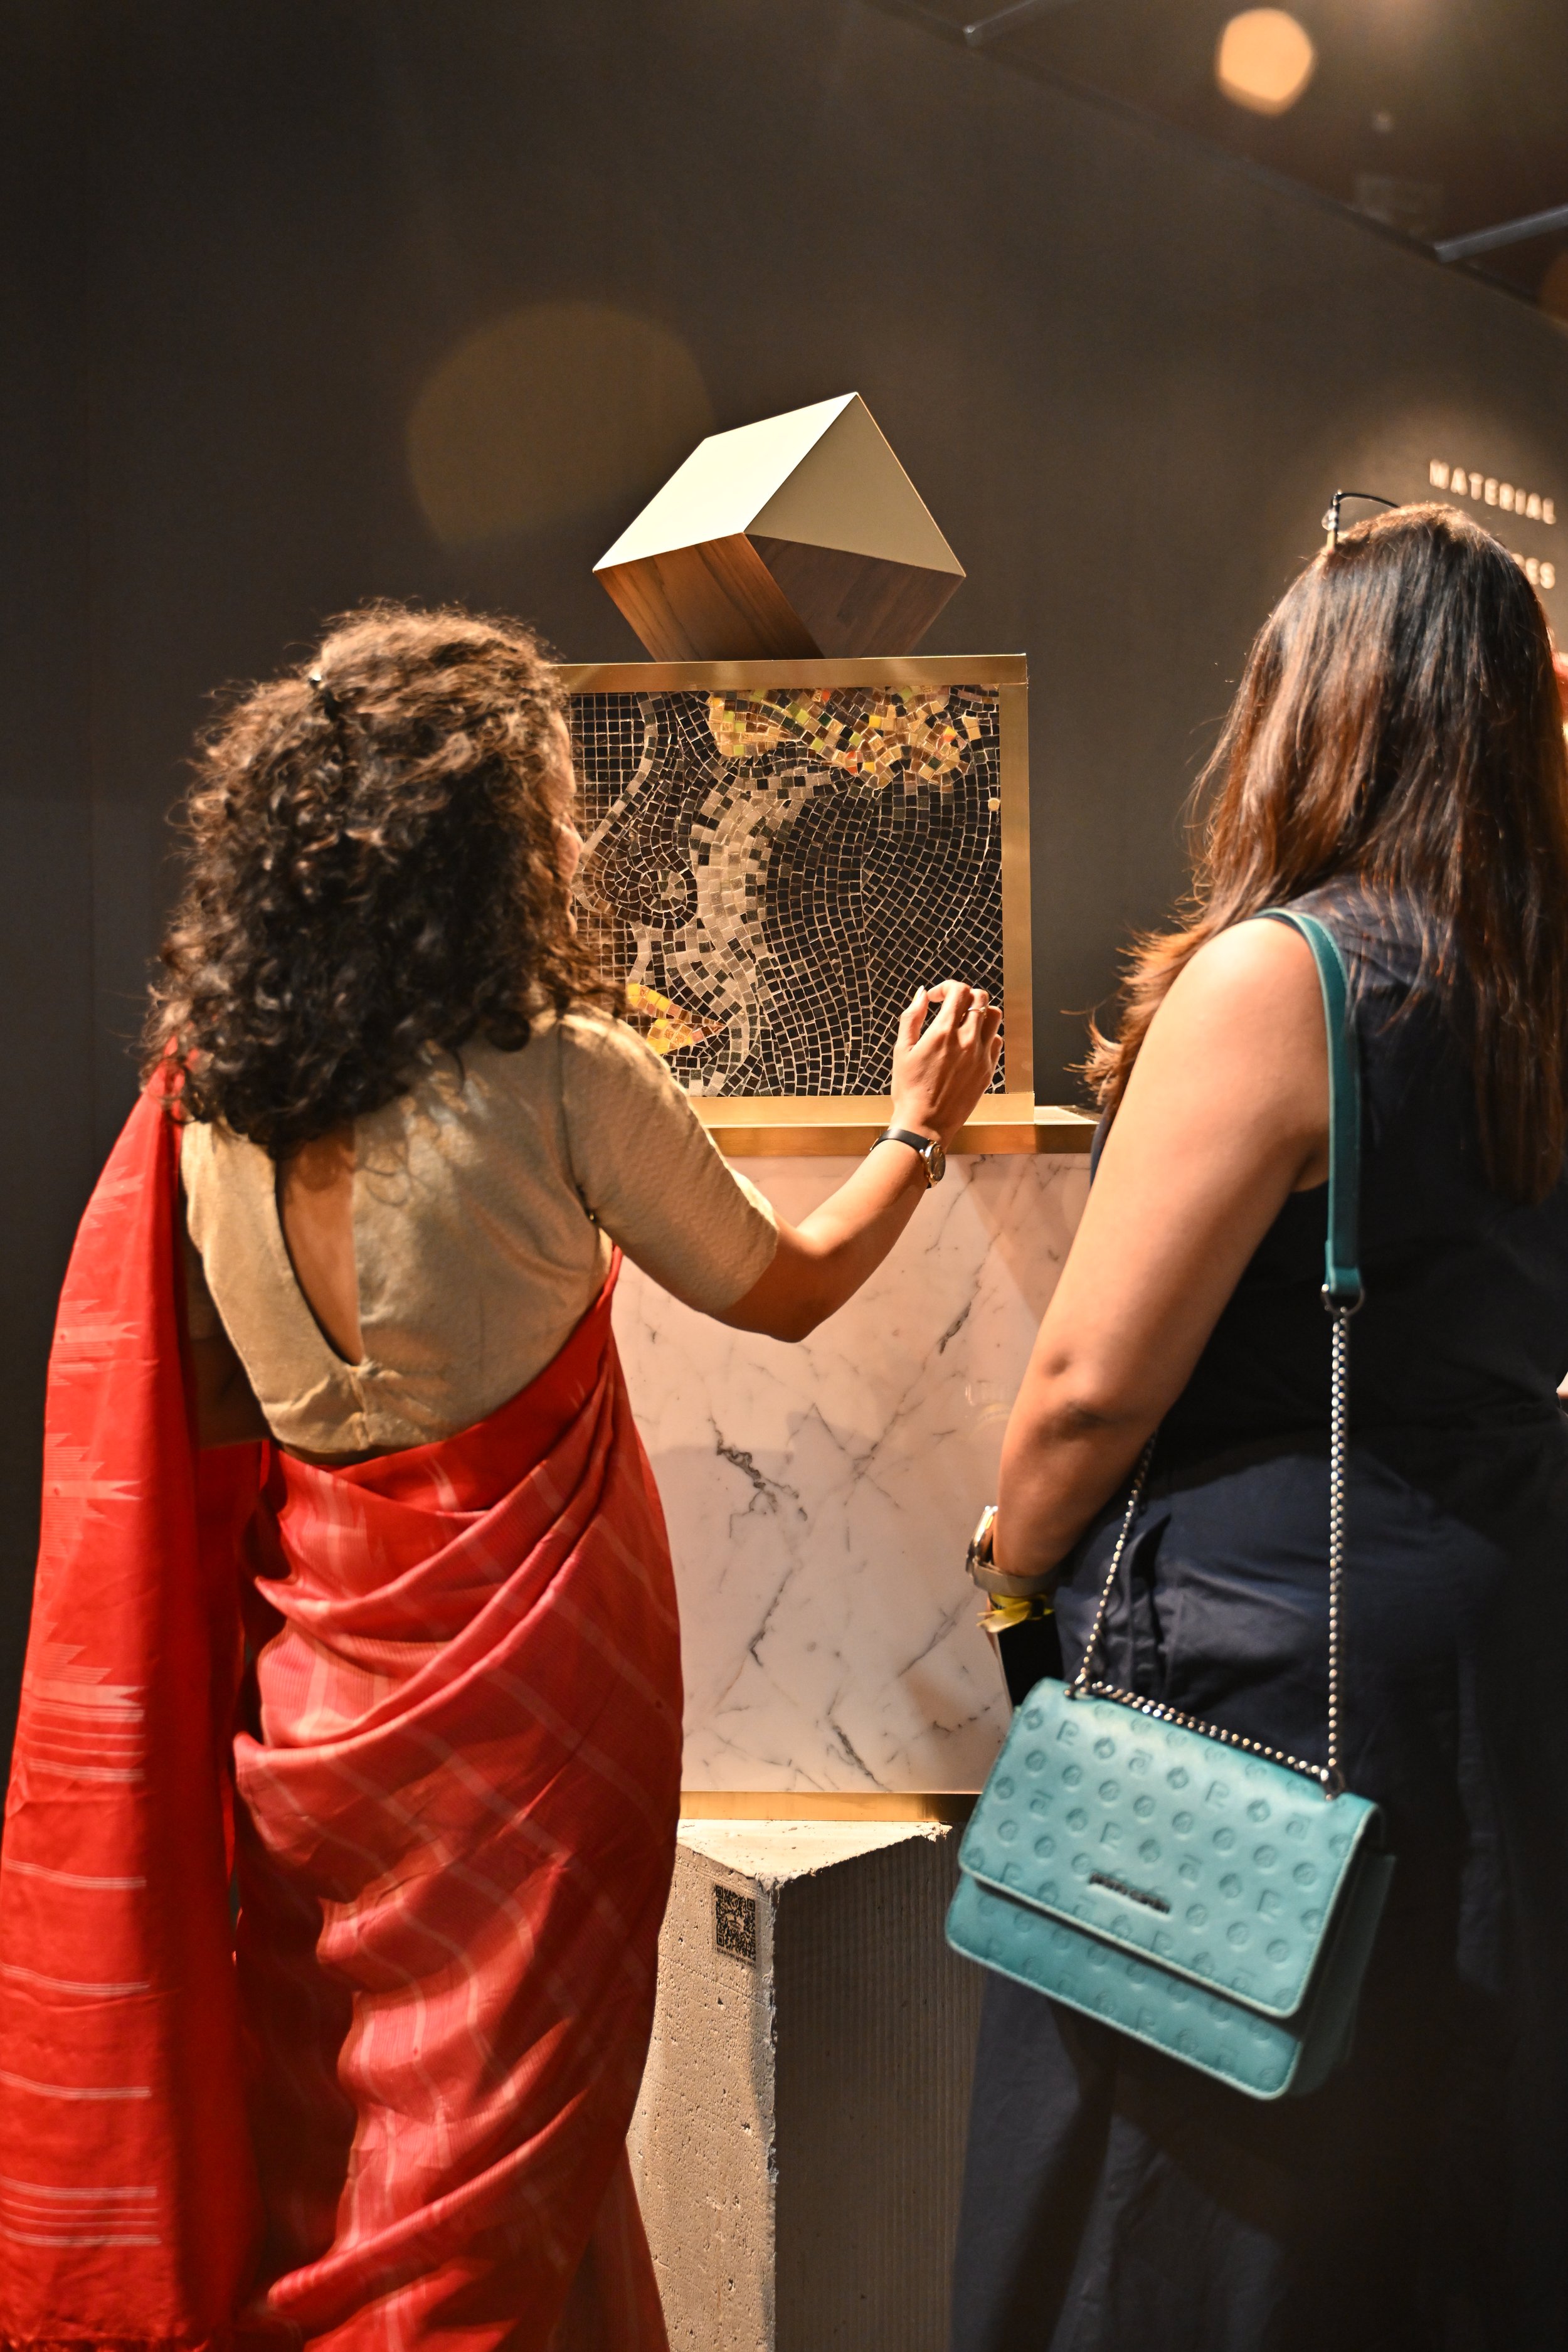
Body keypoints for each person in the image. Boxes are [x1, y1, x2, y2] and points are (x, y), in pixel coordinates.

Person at [0, 601, 1000, 2352]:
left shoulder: (203, 1105)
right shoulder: (559, 1076)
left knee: (341, 2136)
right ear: (488, 838)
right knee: (500, 2168)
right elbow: (781, 1292)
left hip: (308, 1708)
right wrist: (918, 1128)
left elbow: (219, 1410)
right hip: (536, 1722)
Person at [951, 506, 1568, 2352]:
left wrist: (1006, 1566)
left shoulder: (1288, 976)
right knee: (1446, 2177)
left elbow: (1089, 1385)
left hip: (1261, 1663)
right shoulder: (1536, 992)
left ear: (1313, 710)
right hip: (1498, 1637)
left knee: (1193, 2196)